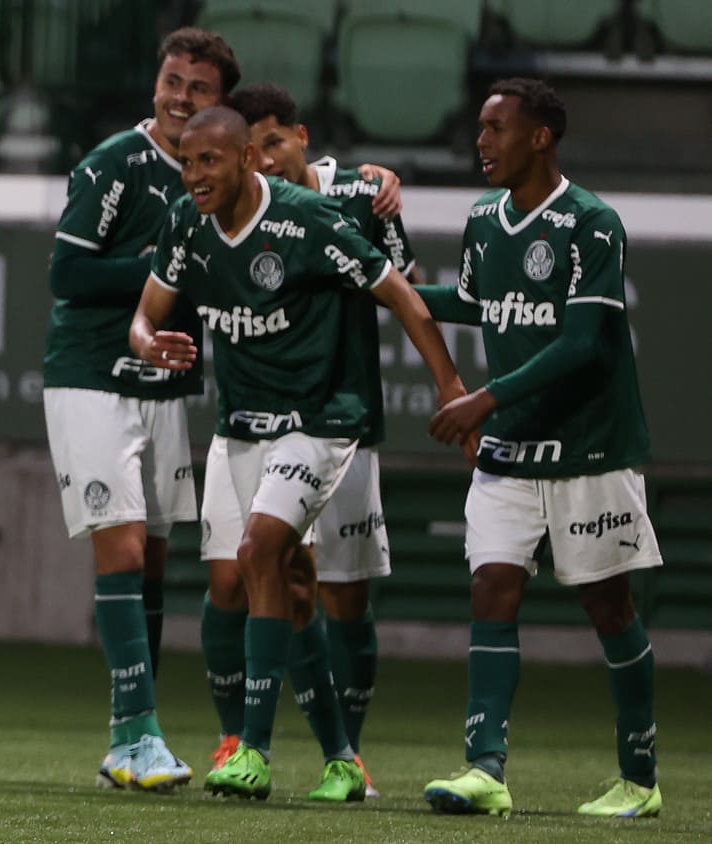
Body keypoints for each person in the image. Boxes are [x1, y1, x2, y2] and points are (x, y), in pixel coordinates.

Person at [129, 106, 467, 802]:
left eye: (209, 162)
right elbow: (145, 313)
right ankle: (342, 759)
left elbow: (398, 292)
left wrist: (452, 386)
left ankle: (252, 751)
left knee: (261, 556)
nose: (194, 176)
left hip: (319, 420)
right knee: (273, 585)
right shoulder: (186, 224)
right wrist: (145, 343)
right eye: (188, 164)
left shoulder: (305, 220)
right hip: (241, 424)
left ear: (247, 159)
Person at [419, 78, 662, 819]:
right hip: (511, 450)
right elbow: (471, 302)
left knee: (607, 603)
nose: (481, 142)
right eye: (481, 128)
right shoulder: (484, 218)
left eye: (496, 129)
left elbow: (584, 343)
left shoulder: (592, 223)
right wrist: (386, 286)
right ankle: (484, 769)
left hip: (590, 446)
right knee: (492, 586)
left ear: (539, 137)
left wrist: (481, 399)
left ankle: (639, 780)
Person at [43, 26, 240, 793]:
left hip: (163, 382)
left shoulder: (215, 173)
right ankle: (139, 734)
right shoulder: (114, 163)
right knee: (121, 548)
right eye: (171, 81)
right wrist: (170, 270)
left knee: (154, 558)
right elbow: (67, 274)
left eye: (197, 88)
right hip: (92, 374)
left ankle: (129, 735)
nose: (179, 97)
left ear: (220, 106)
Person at [223, 82, 426, 798]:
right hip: (271, 422)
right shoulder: (242, 205)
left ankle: (352, 754)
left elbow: (412, 282)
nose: (267, 161)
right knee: (279, 573)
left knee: (345, 595)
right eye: (254, 151)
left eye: (275, 143)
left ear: (302, 137)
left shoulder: (361, 194)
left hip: (347, 421)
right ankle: (277, 746)